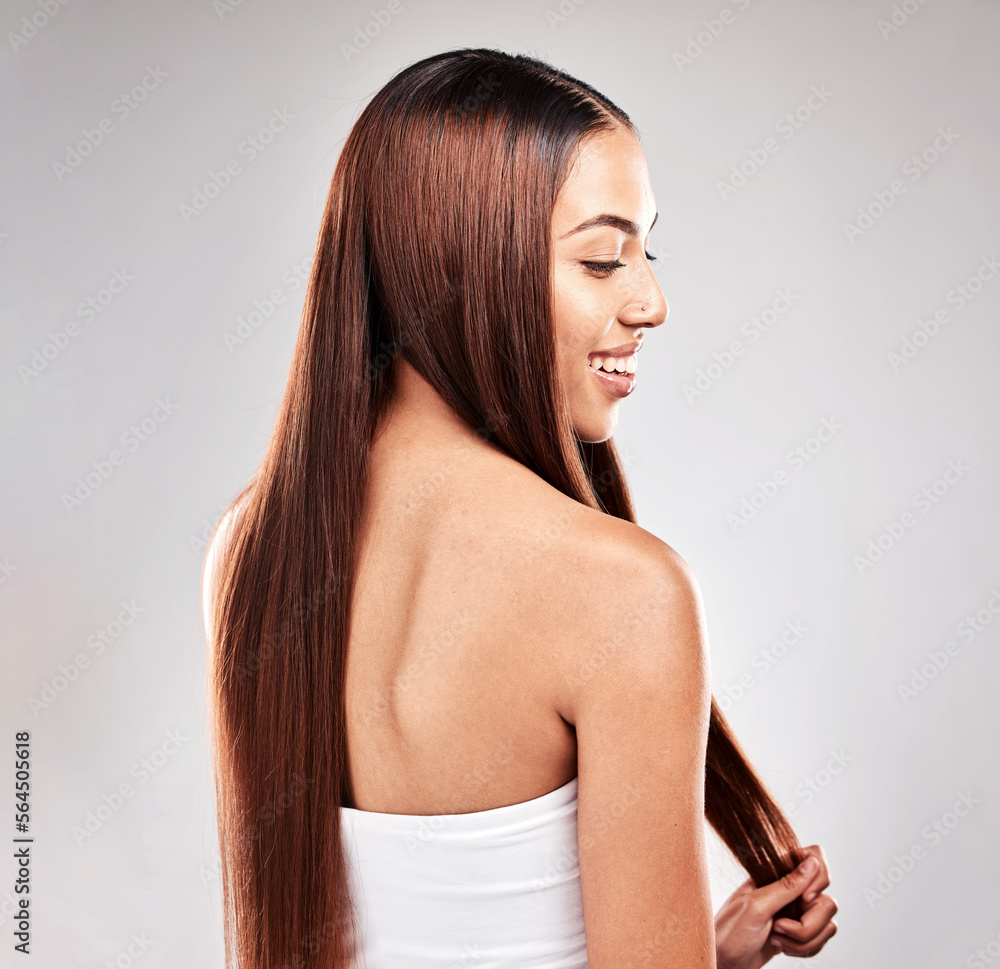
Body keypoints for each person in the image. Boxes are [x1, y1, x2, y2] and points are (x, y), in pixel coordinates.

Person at [201, 48, 837, 969]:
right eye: (603, 259)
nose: (651, 301)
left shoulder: (251, 550)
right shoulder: (623, 593)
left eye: (644, 253)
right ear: (467, 264)